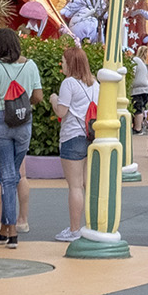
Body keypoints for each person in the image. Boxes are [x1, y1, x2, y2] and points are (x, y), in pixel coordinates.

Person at [0, 28, 44, 249]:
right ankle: (4, 229)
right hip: (24, 123)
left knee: (7, 177)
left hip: (1, 121)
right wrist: (23, 100)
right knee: (12, 176)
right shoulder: (30, 65)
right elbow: (38, 97)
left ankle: (11, 231)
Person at [52, 45, 99, 243]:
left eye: (63, 60)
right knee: (87, 184)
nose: (61, 63)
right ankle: (91, 225)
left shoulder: (68, 83)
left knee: (75, 186)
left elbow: (61, 112)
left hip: (72, 137)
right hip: (90, 136)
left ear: (71, 63)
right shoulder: (95, 83)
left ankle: (74, 229)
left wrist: (54, 99)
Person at [130, 49, 148, 133]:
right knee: (140, 108)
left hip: (137, 89)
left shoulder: (135, 60)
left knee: (137, 109)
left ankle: (138, 129)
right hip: (145, 89)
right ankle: (139, 126)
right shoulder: (142, 64)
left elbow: (132, 72)